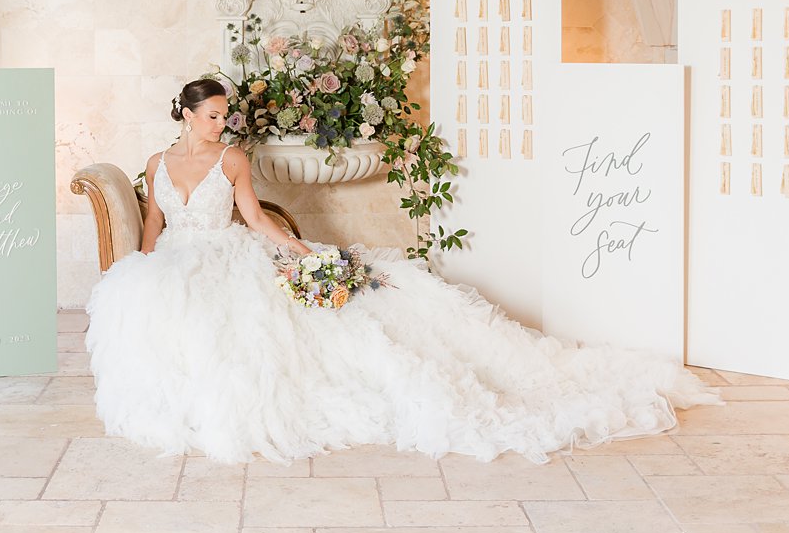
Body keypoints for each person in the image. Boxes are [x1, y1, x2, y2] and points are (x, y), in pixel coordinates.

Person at [85, 78, 718, 465]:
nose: (226, 122)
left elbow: (254, 219)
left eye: (227, 115)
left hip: (229, 251)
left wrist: (306, 254)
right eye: (215, 115)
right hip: (175, 260)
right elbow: (151, 226)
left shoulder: (234, 159)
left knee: (277, 329)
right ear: (188, 117)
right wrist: (138, 272)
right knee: (162, 307)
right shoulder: (156, 161)